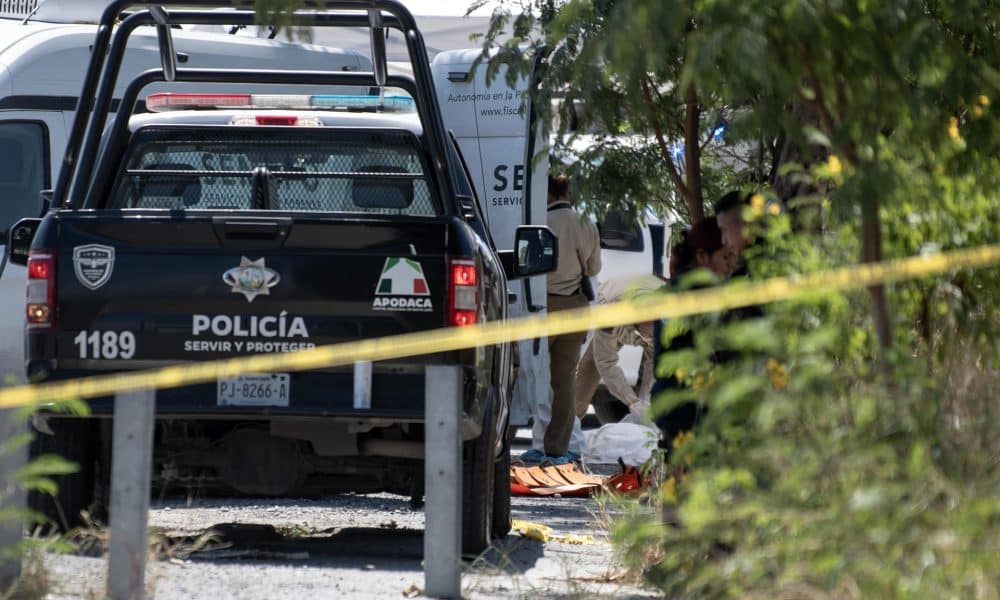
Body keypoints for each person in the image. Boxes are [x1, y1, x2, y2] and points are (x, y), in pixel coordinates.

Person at [522, 174, 601, 465]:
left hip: (543, 306)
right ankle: (557, 448)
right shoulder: (586, 223)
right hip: (575, 307)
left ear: (548, 194)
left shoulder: (540, 222)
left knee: (536, 378)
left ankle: (537, 442)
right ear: (568, 192)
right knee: (565, 381)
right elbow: (594, 268)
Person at [651, 218, 734, 447]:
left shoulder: (688, 288)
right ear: (702, 257)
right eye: (725, 257)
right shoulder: (691, 294)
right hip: (685, 409)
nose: (731, 264)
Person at [574, 277, 663, 425]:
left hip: (644, 307)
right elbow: (606, 363)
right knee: (591, 367)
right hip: (611, 305)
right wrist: (632, 401)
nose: (651, 338)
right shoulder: (611, 314)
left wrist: (646, 402)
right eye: (649, 334)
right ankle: (570, 424)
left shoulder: (667, 317)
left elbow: (654, 365)